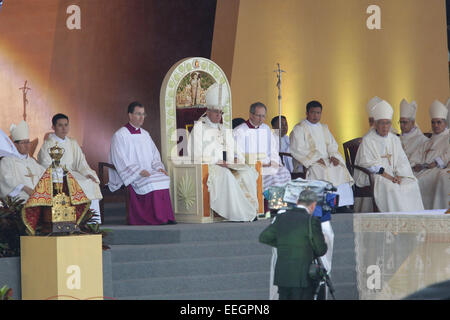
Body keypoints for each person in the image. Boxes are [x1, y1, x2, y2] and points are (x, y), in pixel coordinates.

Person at [188, 83, 258, 221]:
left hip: (228, 164)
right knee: (226, 175)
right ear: (208, 111)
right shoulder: (199, 129)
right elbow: (195, 154)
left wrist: (237, 158)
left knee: (248, 172)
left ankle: (251, 210)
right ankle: (238, 213)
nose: (219, 115)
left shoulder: (223, 128)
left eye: (221, 112)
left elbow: (235, 148)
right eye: (216, 112)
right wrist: (217, 161)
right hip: (210, 167)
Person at [108, 101, 176, 225]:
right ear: (130, 115)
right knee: (151, 181)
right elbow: (120, 159)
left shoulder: (145, 135)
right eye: (138, 114)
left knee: (163, 178)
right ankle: (153, 218)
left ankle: (165, 217)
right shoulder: (120, 135)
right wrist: (138, 171)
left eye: (143, 114)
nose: (141, 117)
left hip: (148, 172)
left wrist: (158, 167)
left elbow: (154, 155)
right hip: (133, 174)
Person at [354, 100, 424, 212]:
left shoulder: (394, 139)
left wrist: (400, 175)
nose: (385, 126)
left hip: (395, 175)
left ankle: (412, 220)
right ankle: (394, 223)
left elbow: (402, 161)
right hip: (377, 176)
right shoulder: (368, 140)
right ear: (375, 124)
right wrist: (390, 177)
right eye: (382, 123)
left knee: (412, 183)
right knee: (392, 188)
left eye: (388, 123)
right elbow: (367, 163)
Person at [259, 189, 328, 300]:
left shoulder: (281, 217)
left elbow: (264, 237)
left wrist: (283, 244)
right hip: (303, 277)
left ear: (297, 202)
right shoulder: (312, 221)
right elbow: (320, 250)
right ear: (313, 205)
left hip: (283, 276)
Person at [37, 114, 103, 224]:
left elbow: (80, 162)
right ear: (53, 127)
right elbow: (45, 163)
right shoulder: (48, 144)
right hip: (58, 175)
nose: (64, 128)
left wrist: (87, 173)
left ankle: (92, 221)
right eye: (60, 125)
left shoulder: (72, 142)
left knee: (90, 182)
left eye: (66, 125)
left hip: (72, 173)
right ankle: (77, 220)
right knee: (76, 184)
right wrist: (60, 172)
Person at [289, 101, 354, 212]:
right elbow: (297, 149)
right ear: (307, 113)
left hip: (327, 159)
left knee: (339, 169)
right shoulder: (299, 128)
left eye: (318, 113)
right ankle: (324, 205)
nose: (316, 116)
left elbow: (332, 145)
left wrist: (334, 156)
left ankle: (341, 204)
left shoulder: (324, 128)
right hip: (309, 162)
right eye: (313, 112)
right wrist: (315, 159)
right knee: (320, 170)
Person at [233, 102, 291, 191]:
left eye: (263, 116)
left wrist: (276, 162)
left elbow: (272, 150)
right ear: (251, 115)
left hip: (268, 164)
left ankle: (282, 202)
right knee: (273, 179)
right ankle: (269, 203)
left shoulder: (266, 128)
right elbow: (237, 156)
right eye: (258, 116)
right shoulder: (239, 131)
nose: (261, 119)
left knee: (284, 172)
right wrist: (260, 163)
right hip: (252, 167)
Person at [411, 100, 449, 209]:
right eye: (433, 122)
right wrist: (415, 164)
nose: (435, 125)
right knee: (409, 181)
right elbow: (416, 155)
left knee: (417, 183)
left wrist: (435, 163)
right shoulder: (428, 141)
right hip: (423, 170)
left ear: (445, 123)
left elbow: (448, 155)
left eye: (439, 122)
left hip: (437, 169)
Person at [0, 121, 45, 201]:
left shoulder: (32, 162)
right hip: (20, 200)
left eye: (28, 142)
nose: (27, 146)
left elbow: (44, 175)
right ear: (15, 145)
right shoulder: (7, 161)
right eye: (23, 143)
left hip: (38, 199)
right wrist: (25, 188)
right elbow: (5, 180)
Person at [398, 99, 429, 164]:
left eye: (404, 122)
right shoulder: (397, 139)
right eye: (400, 122)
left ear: (412, 122)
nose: (401, 125)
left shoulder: (422, 140)